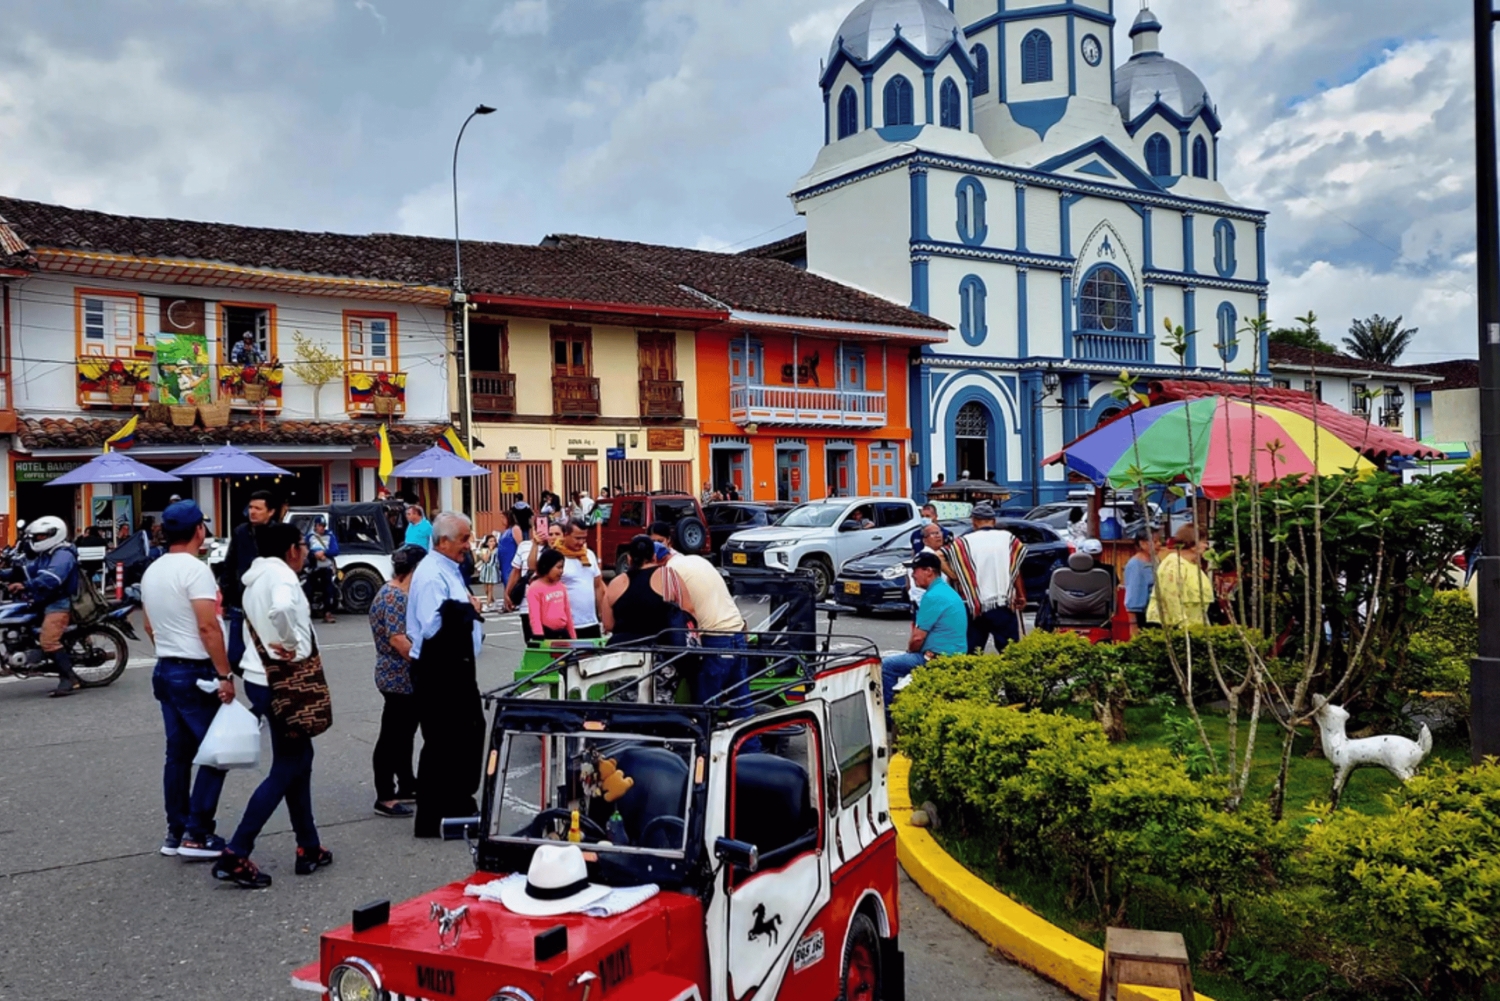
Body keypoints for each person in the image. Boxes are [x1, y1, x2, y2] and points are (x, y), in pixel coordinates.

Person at [211, 521, 329, 889]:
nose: (307, 552)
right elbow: (281, 610)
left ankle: (308, 845)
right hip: (284, 683)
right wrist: (291, 641)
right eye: (303, 546)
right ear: (290, 549)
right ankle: (237, 850)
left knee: (298, 762)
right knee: (289, 765)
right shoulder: (282, 578)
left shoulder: (253, 579)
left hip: (260, 679)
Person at [139, 501, 234, 859]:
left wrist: (168, 648)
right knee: (216, 751)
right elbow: (209, 626)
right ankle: (197, 831)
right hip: (195, 670)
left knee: (177, 754)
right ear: (198, 530)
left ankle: (175, 831)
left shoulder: (153, 570)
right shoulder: (196, 571)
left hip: (165, 666)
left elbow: (149, 624)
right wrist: (224, 673)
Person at [406, 511, 486, 838]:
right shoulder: (429, 574)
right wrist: (471, 610)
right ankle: (431, 815)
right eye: (464, 539)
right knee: (441, 741)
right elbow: (432, 624)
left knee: (469, 733)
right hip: (439, 668)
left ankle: (458, 801)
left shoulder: (449, 568)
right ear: (443, 542)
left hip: (458, 665)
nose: (468, 545)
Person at [656, 529, 750, 709]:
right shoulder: (695, 560)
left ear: (658, 560)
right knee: (741, 699)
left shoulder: (669, 572)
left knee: (706, 704)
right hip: (737, 633)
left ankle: (706, 736)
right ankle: (747, 737)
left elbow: (674, 611)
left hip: (716, 639)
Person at [369, 545, 425, 818]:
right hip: (396, 675)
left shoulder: (398, 593)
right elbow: (398, 639)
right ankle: (385, 794)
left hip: (402, 676)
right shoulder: (394, 597)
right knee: (392, 736)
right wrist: (425, 660)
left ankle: (406, 783)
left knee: (404, 734)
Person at [881, 553, 969, 723]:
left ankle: (889, 718)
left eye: (915, 570)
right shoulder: (944, 591)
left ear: (929, 571)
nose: (913, 575)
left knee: (887, 666)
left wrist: (910, 651)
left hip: (938, 658)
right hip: (952, 654)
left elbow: (917, 639)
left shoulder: (933, 596)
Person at [2, 517, 84, 697]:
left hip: (58, 603)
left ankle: (69, 679)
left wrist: (25, 586)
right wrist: (4, 575)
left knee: (49, 640)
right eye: (36, 537)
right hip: (42, 599)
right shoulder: (47, 554)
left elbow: (52, 579)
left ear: (54, 535)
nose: (36, 540)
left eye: (40, 536)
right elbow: (27, 571)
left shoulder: (63, 554)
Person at [941, 502, 1026, 655]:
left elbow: (939, 556)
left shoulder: (963, 542)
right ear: (993, 521)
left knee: (973, 651)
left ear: (974, 522)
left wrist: (957, 577)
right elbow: (1016, 568)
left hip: (974, 604)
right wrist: (1021, 595)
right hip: (1003, 602)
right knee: (1010, 652)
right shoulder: (1008, 539)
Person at [219, 490, 276, 672]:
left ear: (270, 511)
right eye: (251, 507)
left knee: (268, 654)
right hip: (240, 602)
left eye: (258, 508)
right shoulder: (240, 532)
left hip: (267, 604)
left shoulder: (279, 533)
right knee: (235, 656)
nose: (253, 512)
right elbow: (230, 564)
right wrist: (225, 596)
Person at [531, 519, 607, 639]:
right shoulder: (555, 557)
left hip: (591, 622)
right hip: (567, 625)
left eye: (584, 538)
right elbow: (534, 569)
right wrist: (535, 545)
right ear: (565, 535)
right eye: (577, 538)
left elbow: (598, 586)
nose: (581, 542)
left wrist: (603, 614)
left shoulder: (589, 555)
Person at [603, 536, 674, 647]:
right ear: (654, 557)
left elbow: (608, 625)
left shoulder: (615, 584)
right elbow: (687, 610)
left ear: (629, 559)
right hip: (659, 650)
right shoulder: (667, 576)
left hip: (621, 650)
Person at [1147, 525, 1215, 628]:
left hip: (1195, 625)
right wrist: (1181, 624)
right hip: (1172, 626)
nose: (1206, 546)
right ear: (1192, 543)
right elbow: (1171, 596)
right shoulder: (1174, 563)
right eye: (1203, 541)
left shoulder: (1193, 565)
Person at [526, 548, 576, 640]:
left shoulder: (561, 587)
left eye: (562, 568)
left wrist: (573, 637)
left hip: (562, 633)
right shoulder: (535, 588)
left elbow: (568, 613)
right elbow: (535, 617)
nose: (561, 571)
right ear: (547, 566)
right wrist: (539, 636)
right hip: (547, 634)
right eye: (558, 567)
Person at [909, 521, 950, 608]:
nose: (938, 536)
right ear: (924, 540)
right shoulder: (922, 558)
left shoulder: (943, 555)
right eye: (933, 534)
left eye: (939, 532)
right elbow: (917, 589)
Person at [1123, 532, 1158, 630]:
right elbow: (1132, 595)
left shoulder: (1155, 561)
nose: (1159, 544)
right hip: (1142, 615)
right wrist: (1133, 624)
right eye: (1155, 542)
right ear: (1142, 543)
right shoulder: (1135, 565)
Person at [306, 518, 338, 624]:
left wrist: (324, 553)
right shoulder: (310, 537)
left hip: (326, 568)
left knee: (328, 591)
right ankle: (307, 613)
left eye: (323, 526)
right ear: (315, 526)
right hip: (313, 568)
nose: (322, 528)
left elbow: (335, 550)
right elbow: (305, 550)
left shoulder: (330, 536)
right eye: (320, 525)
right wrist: (314, 554)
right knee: (308, 590)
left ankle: (327, 613)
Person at [476, 532, 500, 610]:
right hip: (485, 570)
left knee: (490, 589)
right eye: (490, 541)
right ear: (486, 542)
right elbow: (485, 560)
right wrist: (489, 551)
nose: (492, 542)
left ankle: (487, 604)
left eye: (494, 541)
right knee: (486, 590)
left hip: (492, 570)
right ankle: (493, 601)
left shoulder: (497, 550)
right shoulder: (484, 550)